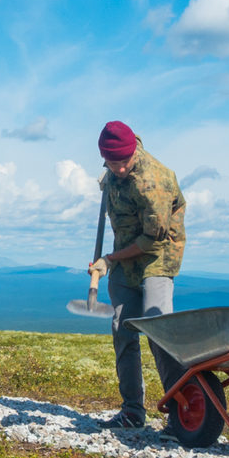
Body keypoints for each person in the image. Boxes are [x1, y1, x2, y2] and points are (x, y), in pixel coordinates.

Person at [87, 121, 187, 430]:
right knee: (122, 328)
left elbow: (151, 240)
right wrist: (110, 260)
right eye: (111, 162)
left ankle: (179, 412)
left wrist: (109, 259)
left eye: (124, 162)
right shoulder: (112, 172)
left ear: (133, 154)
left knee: (158, 329)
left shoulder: (153, 181)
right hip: (123, 258)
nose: (118, 169)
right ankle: (132, 411)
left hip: (157, 256)